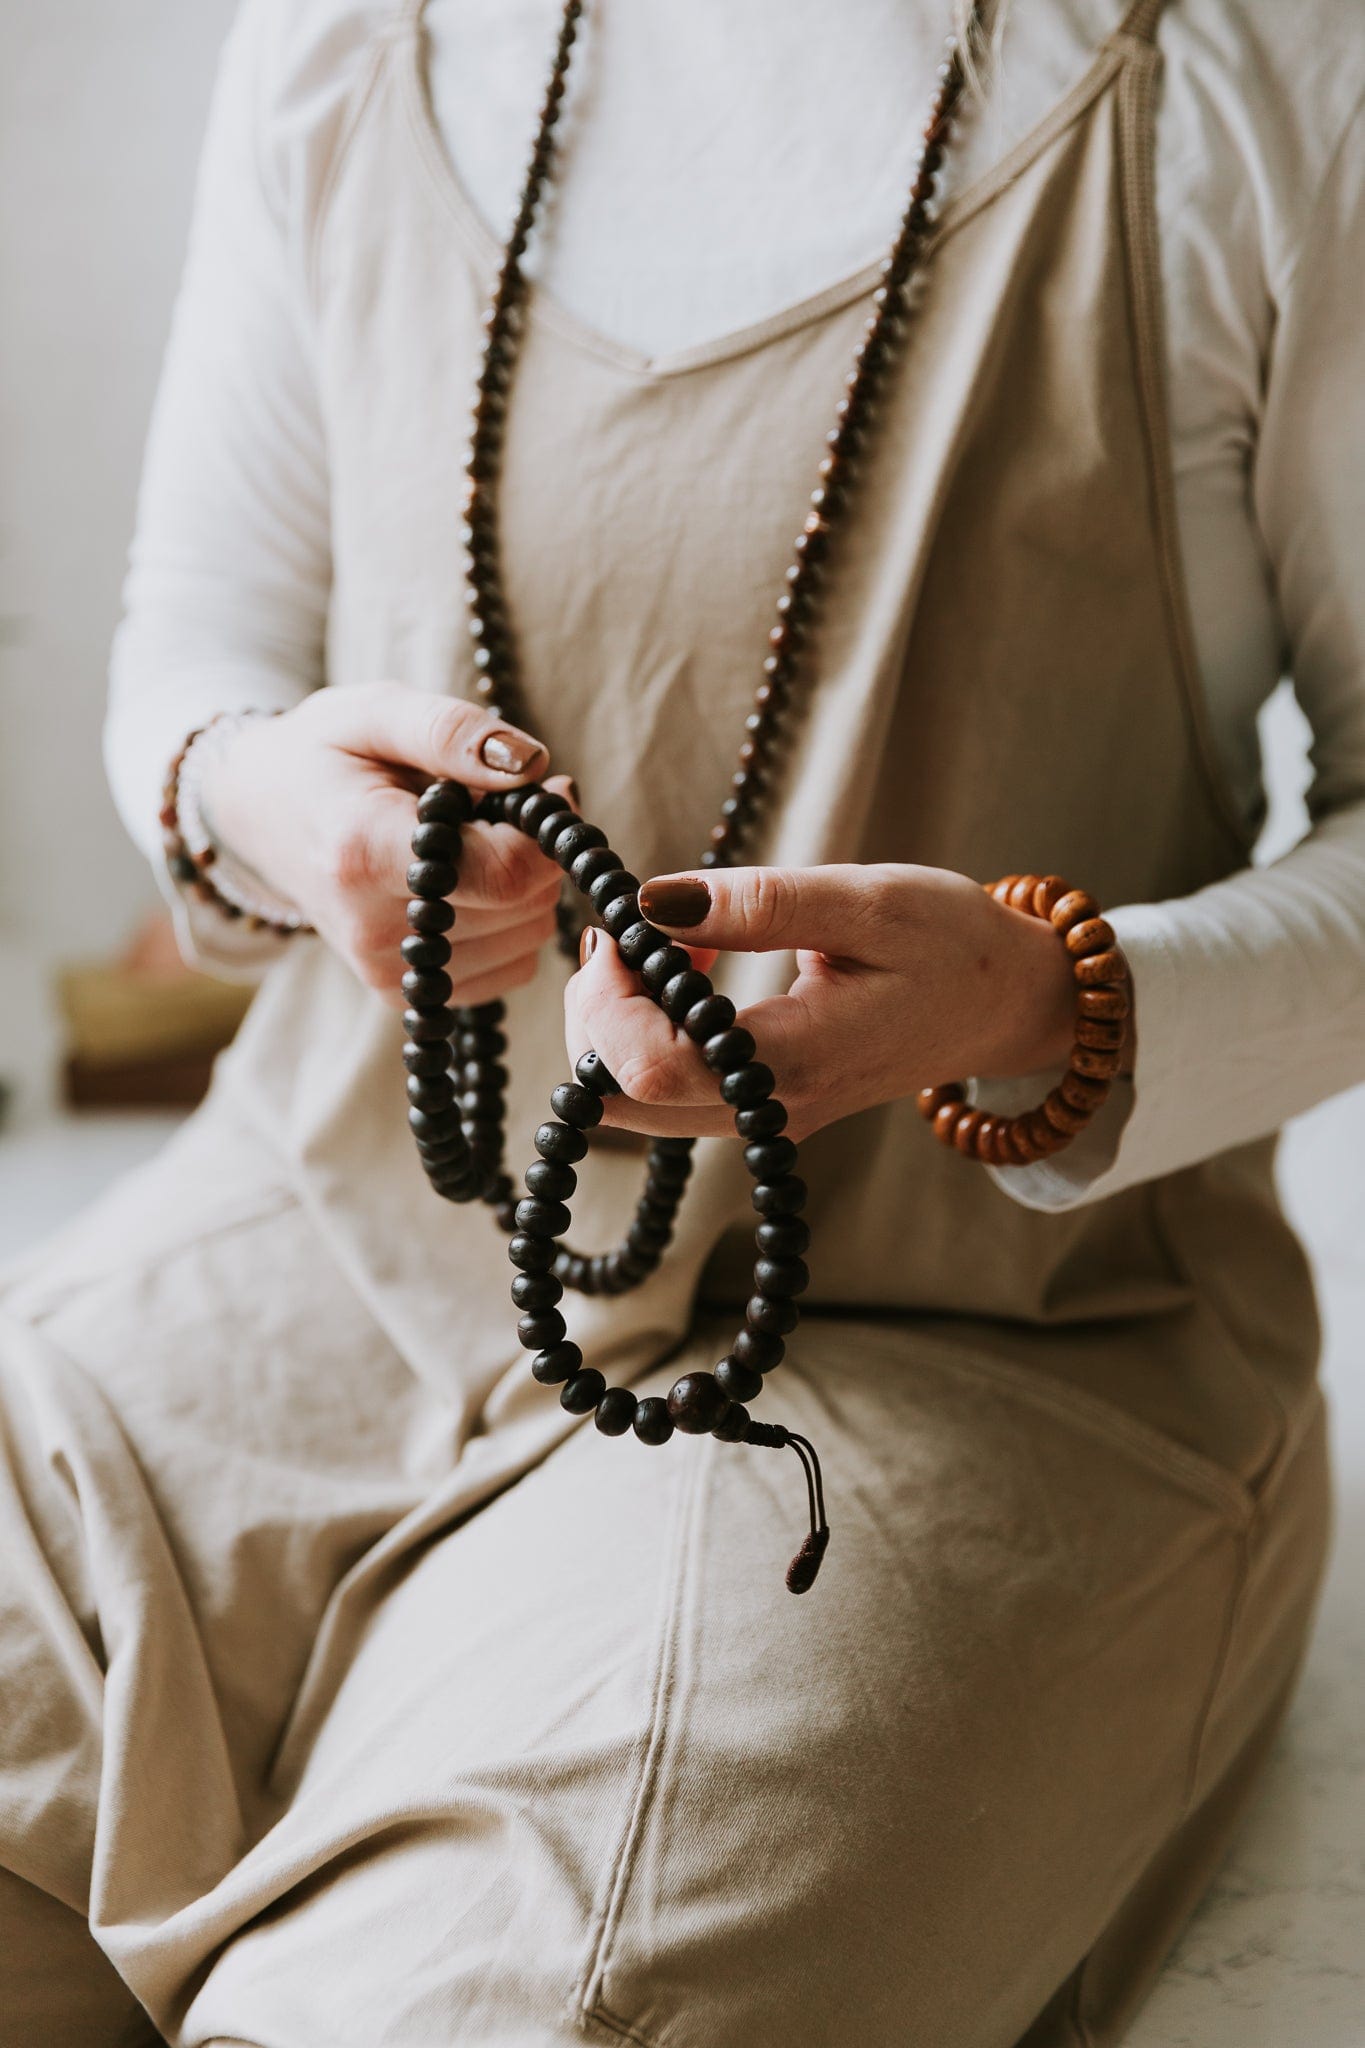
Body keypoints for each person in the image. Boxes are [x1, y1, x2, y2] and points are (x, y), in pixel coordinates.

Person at [2, 0, 1363, 2040]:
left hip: (949, 1356)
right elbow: (198, 637)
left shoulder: (1268, 76)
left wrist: (1046, 998)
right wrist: (254, 793)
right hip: (308, 1243)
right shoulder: (345, 38)